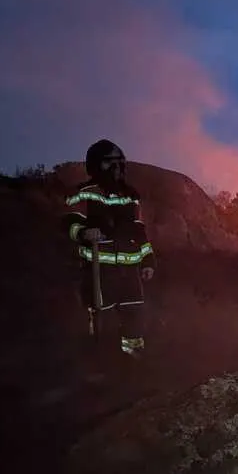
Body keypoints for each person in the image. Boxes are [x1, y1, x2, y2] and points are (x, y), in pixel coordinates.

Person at [64, 139, 156, 358]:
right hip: (98, 269)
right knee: (99, 316)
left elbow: (139, 230)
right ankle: (101, 362)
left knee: (134, 314)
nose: (117, 168)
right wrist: (83, 233)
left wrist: (148, 261)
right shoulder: (84, 193)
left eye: (120, 162)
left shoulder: (131, 196)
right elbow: (69, 220)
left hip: (129, 272)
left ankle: (133, 358)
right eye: (110, 163)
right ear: (96, 165)